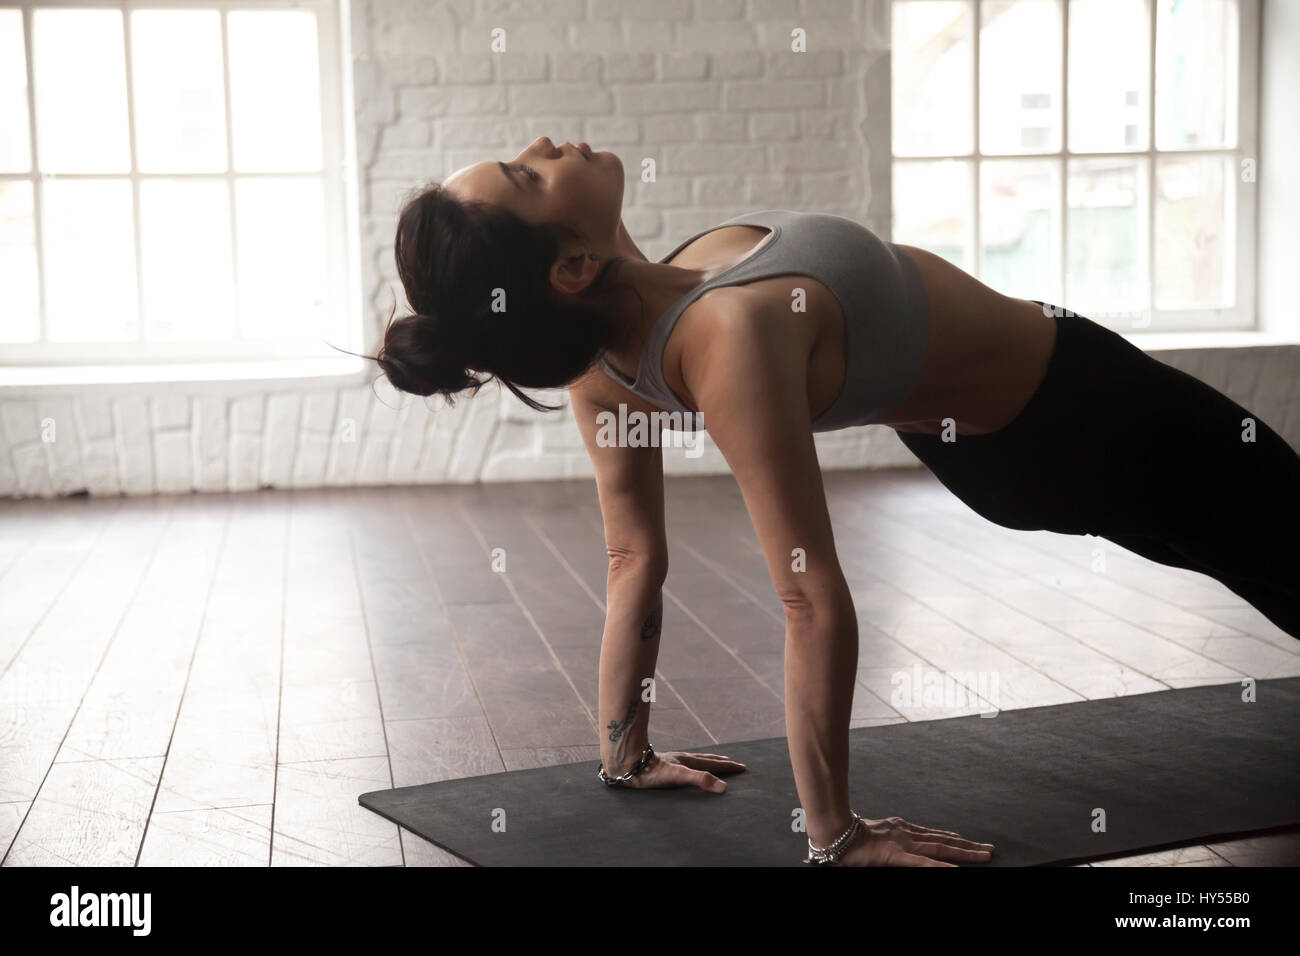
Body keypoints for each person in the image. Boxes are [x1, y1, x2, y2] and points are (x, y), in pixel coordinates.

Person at [365, 135, 1300, 867]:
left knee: (1266, 556)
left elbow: (631, 558)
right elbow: (806, 592)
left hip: (1009, 448)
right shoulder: (723, 334)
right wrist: (835, 835)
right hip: (1080, 413)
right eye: (526, 176)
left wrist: (625, 752)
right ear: (569, 268)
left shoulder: (612, 363)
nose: (544, 146)